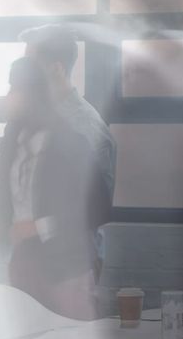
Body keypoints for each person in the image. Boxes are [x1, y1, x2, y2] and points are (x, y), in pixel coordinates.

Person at [0, 56, 107, 320]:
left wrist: (38, 227)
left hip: (66, 265)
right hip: (24, 262)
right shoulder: (14, 143)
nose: (7, 97)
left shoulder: (69, 142)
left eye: (13, 89)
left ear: (31, 94)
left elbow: (97, 208)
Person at [19, 24, 116, 277]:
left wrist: (37, 228)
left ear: (57, 68)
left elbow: (90, 210)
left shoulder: (86, 128)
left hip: (72, 261)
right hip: (37, 256)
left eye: (31, 65)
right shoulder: (37, 120)